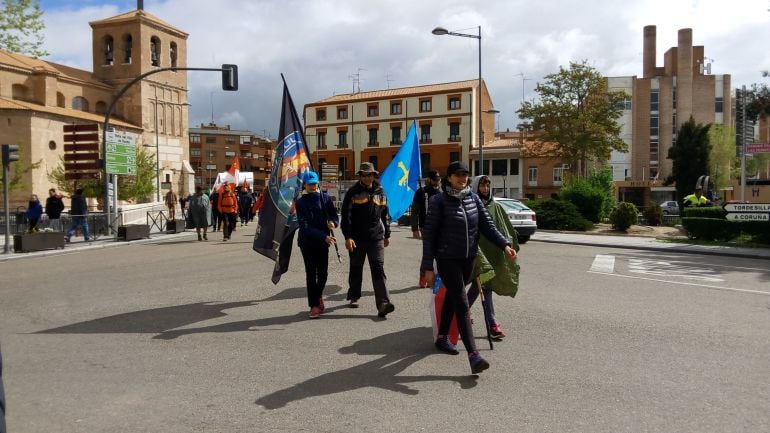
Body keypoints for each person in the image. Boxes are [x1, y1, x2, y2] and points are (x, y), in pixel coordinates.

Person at [420, 161, 517, 374]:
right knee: (462, 303)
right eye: (458, 175)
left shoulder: (473, 199)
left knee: (454, 298)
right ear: (449, 178)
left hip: (468, 259)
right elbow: (429, 236)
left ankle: (443, 337)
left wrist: (505, 245)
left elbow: (487, 225)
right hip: (447, 259)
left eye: (465, 175)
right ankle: (473, 355)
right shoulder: (439, 201)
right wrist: (427, 266)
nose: (462, 178)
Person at [466, 175, 521, 340]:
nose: (485, 189)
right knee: (482, 285)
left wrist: (507, 246)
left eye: (487, 186)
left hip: (493, 253)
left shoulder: (495, 206)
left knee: (483, 286)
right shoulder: (470, 205)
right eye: (482, 185)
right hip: (475, 253)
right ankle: (488, 322)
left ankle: (469, 313)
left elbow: (502, 228)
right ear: (476, 186)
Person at [340, 162, 395, 318]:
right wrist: (348, 237)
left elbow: (385, 215)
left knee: (378, 267)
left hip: (375, 237)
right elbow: (346, 217)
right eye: (363, 175)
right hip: (356, 238)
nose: (366, 177)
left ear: (373, 175)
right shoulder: (353, 193)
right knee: (356, 267)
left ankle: (383, 303)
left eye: (369, 174)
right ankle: (354, 296)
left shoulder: (381, 192)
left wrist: (387, 234)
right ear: (360, 176)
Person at [296, 171, 339, 319]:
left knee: (323, 273)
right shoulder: (300, 202)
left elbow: (334, 215)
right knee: (311, 273)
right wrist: (324, 236)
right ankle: (313, 305)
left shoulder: (325, 198)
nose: (312, 186)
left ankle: (318, 295)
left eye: (314, 183)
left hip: (323, 242)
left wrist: (333, 223)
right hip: (307, 242)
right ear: (305, 185)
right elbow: (304, 226)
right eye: (309, 184)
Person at [410, 169, 442, 239]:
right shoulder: (421, 192)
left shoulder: (442, 192)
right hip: (426, 226)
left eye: (438, 179)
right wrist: (415, 228)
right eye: (435, 179)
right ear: (429, 179)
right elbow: (414, 211)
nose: (437, 181)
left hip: (441, 227)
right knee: (429, 248)